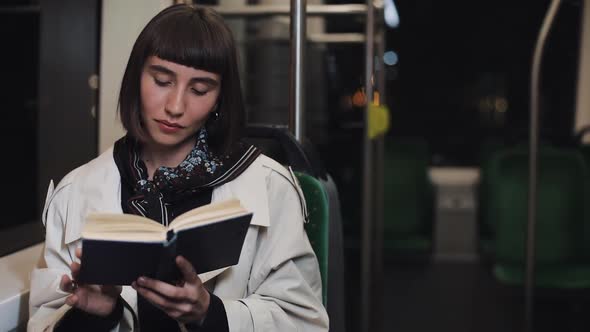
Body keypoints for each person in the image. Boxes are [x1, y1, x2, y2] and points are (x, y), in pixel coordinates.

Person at [28, 4, 329, 331]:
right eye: (161, 80)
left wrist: (209, 314)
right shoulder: (76, 192)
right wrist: (95, 315)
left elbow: (304, 321)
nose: (175, 106)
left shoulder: (271, 188)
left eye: (200, 89)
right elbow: (44, 322)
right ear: (136, 78)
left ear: (219, 98)